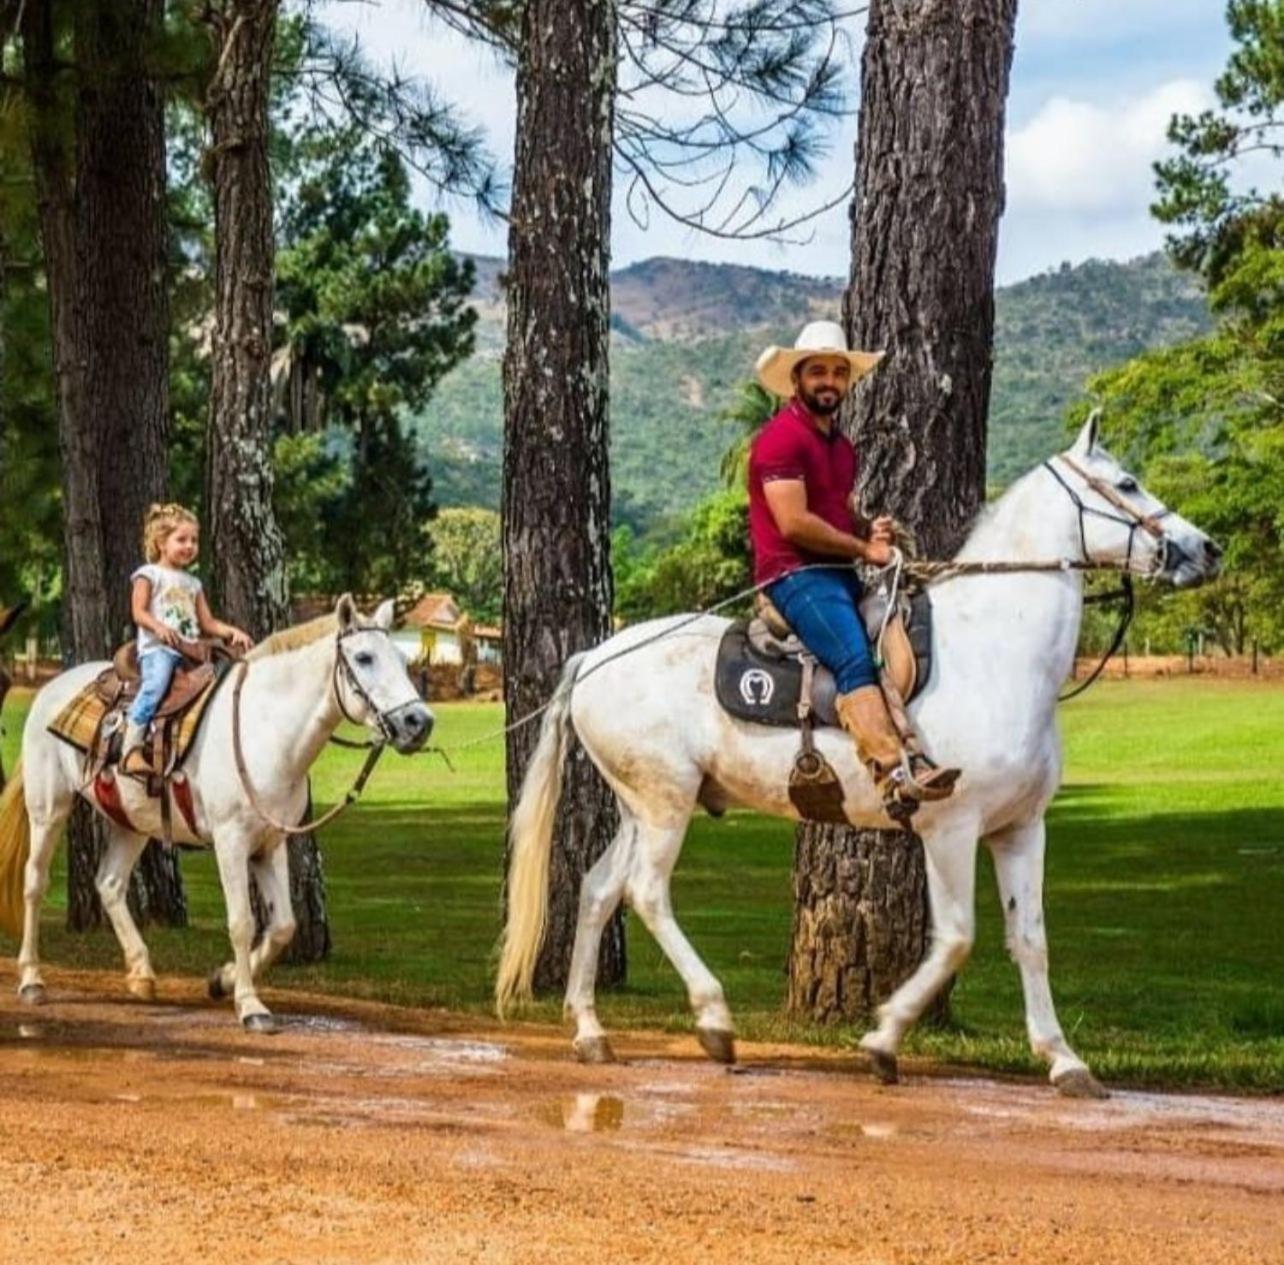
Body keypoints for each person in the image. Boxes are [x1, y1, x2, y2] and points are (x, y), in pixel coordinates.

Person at [748, 320, 959, 819]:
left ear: (848, 382)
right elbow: (795, 523)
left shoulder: (840, 447)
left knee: (895, 634)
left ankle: (913, 743)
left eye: (838, 373)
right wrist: (865, 552)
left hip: (837, 574)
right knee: (853, 660)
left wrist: (867, 531)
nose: (828, 382)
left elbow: (833, 512)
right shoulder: (781, 441)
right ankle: (893, 775)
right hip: (794, 577)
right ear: (796, 379)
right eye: (817, 371)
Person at [121, 503, 253, 775]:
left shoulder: (193, 583)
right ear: (160, 542)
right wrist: (158, 627)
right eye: (181, 539)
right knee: (155, 686)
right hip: (159, 650)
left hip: (191, 651)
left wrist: (231, 632)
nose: (189, 546)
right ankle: (130, 747)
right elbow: (138, 612)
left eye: (194, 540)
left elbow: (207, 623)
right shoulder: (149, 574)